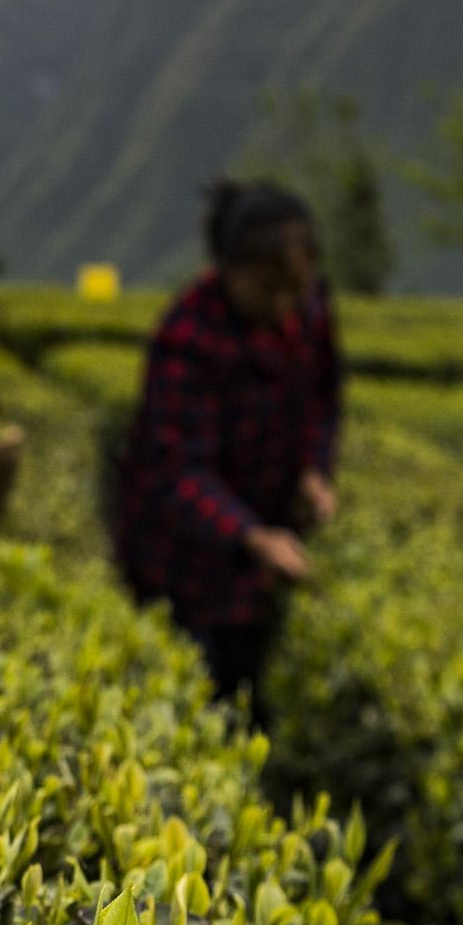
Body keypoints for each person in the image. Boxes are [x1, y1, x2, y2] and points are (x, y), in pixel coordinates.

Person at [113, 179, 342, 726]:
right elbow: (175, 469)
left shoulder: (311, 312)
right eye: (268, 290)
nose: (284, 305)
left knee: (253, 696)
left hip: (262, 549)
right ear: (229, 272)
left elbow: (323, 400)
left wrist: (315, 470)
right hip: (184, 565)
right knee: (204, 706)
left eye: (296, 287)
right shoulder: (189, 335)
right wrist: (248, 534)